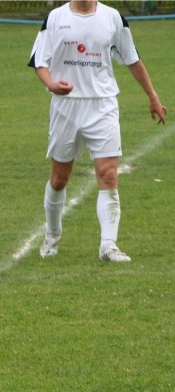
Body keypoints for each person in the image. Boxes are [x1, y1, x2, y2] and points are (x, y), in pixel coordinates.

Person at [28, 0, 167, 262]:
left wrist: (152, 95)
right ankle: (52, 235)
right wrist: (51, 84)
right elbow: (39, 60)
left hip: (102, 106)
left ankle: (108, 246)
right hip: (66, 108)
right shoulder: (55, 18)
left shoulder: (113, 18)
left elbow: (132, 58)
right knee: (59, 179)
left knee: (108, 174)